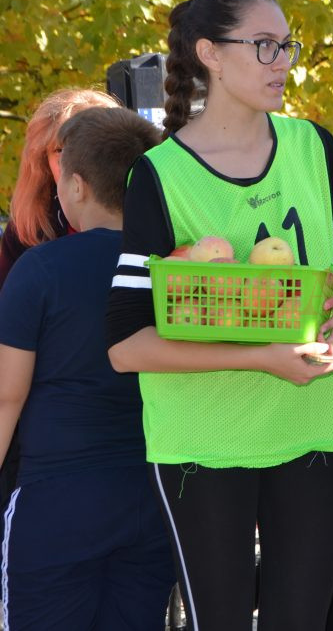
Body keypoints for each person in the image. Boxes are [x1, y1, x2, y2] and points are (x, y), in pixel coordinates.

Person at [105, 0, 333, 629]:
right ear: (210, 54)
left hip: (312, 432)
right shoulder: (160, 175)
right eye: (264, 45)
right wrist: (263, 358)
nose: (282, 62)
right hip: (204, 447)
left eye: (287, 46)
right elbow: (124, 346)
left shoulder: (316, 147)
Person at [0, 106, 176, 629]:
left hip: (56, 499)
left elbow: (6, 396)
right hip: (151, 497)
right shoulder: (174, 268)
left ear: (76, 186)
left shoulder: (41, 268)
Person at [0, 88, 120, 530]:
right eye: (60, 149)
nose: (71, 159)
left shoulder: (151, 222)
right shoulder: (29, 230)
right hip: (45, 425)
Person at [0, 88, 120, 289]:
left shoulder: (150, 210)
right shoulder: (28, 226)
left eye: (87, 147)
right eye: (60, 150)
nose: (73, 161)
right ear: (43, 163)